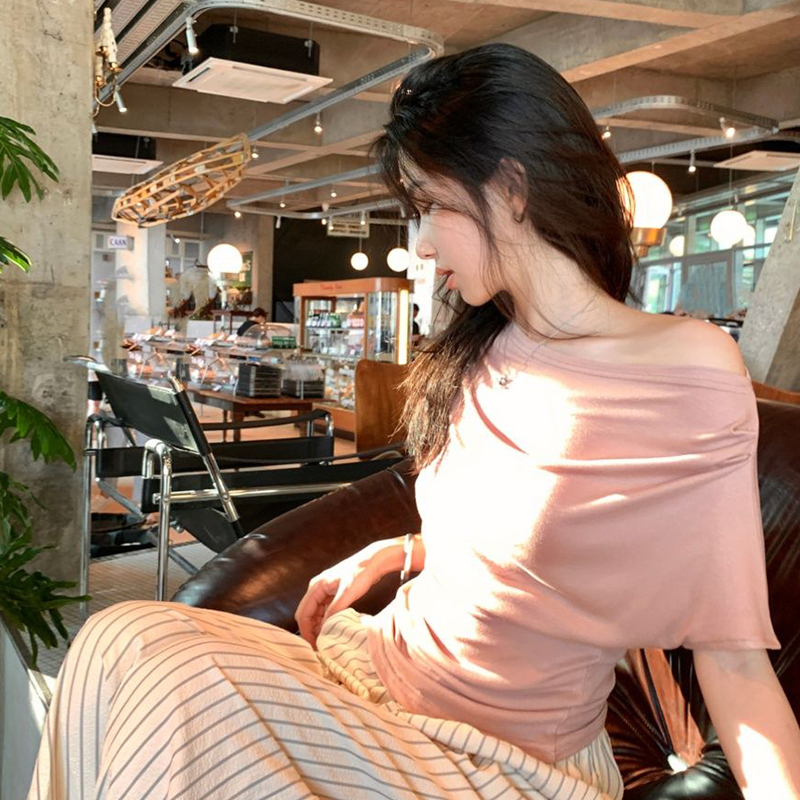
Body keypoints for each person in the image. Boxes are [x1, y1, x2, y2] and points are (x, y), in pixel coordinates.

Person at [27, 44, 800, 800]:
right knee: (113, 643)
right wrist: (402, 550)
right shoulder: (486, 343)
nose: (421, 244)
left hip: (499, 758)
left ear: (512, 188)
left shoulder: (687, 367)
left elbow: (732, 657)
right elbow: (540, 538)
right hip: (379, 670)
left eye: (431, 207)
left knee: (156, 686)